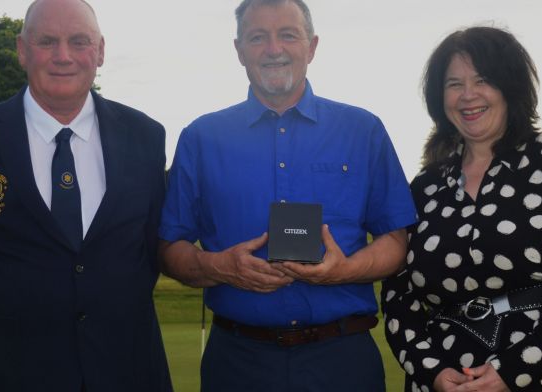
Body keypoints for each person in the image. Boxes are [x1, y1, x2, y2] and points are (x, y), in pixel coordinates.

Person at [158, 0, 416, 390]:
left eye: (288, 35)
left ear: (311, 46)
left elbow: (397, 240)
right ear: (239, 50)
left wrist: (345, 271)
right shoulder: (201, 138)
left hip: (342, 362)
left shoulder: (362, 130)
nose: (274, 49)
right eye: (258, 37)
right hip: (238, 364)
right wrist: (220, 267)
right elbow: (169, 248)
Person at [0, 0, 173, 391]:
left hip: (129, 370)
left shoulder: (146, 136)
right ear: (21, 49)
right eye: (47, 41)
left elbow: (148, 250)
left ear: (99, 52)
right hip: (16, 374)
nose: (63, 56)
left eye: (79, 41)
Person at [382, 26, 542, 391]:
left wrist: (514, 370)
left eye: (482, 80)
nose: (467, 96)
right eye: (454, 84)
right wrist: (433, 373)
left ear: (510, 87)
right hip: (449, 381)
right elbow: (399, 298)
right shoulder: (424, 188)